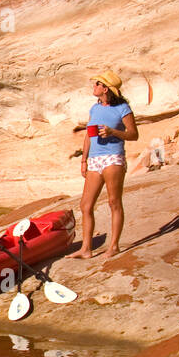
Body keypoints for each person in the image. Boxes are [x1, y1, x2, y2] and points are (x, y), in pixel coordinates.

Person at [73, 69, 137, 258]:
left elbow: (134, 134)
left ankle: (114, 246)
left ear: (106, 89)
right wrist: (84, 160)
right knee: (85, 205)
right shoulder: (95, 108)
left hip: (113, 158)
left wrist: (113, 132)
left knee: (113, 202)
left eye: (97, 84)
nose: (94, 86)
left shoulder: (122, 108)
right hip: (94, 159)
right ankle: (86, 249)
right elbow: (88, 136)